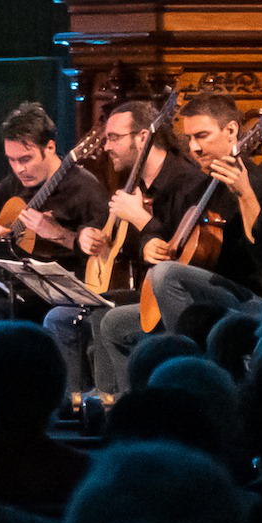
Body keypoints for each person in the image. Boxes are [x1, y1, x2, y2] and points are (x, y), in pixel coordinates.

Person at [84, 94, 262, 395]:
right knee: (110, 318)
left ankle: (188, 380)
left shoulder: (261, 185)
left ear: (232, 132)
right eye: (189, 138)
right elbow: (169, 239)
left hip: (259, 300)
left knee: (166, 275)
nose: (194, 148)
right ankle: (119, 403)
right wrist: (150, 241)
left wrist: (245, 195)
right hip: (209, 298)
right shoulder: (199, 185)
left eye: (203, 136)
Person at [43, 100, 207, 395]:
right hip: (147, 291)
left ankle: (113, 398)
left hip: (177, 296)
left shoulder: (186, 182)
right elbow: (125, 245)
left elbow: (182, 249)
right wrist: (88, 236)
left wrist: (142, 221)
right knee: (80, 310)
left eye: (113, 138)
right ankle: (91, 400)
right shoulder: (136, 187)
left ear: (143, 137)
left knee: (102, 310)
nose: (105, 147)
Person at [0, 103, 108, 270]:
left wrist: (58, 233)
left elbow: (105, 251)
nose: (18, 169)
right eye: (11, 160)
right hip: (13, 284)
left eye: (25, 159)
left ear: (50, 148)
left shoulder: (85, 187)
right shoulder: (14, 183)